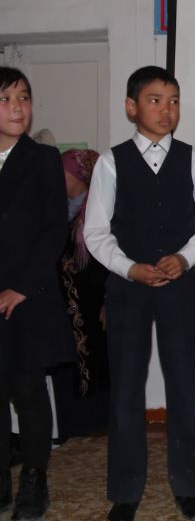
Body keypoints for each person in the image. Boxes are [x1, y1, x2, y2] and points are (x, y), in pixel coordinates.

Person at [83, 66, 195, 521]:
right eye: (155, 100)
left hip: (179, 288)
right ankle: (125, 492)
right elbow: (95, 232)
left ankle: (188, 487)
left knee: (183, 384)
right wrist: (129, 268)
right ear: (132, 107)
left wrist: (184, 258)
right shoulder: (111, 162)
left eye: (174, 101)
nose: (167, 110)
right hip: (128, 290)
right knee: (126, 388)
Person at [0, 67, 74, 520]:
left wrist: (20, 287)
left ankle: (34, 481)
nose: (17, 108)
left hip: (29, 293)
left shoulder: (44, 159)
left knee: (27, 388)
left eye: (24, 98)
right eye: (6, 99)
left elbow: (53, 230)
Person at [51, 148, 111, 441]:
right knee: (65, 362)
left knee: (96, 360)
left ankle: (96, 425)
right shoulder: (55, 210)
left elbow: (112, 259)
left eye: (62, 172)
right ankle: (69, 427)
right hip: (61, 303)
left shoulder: (99, 210)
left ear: (78, 175)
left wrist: (110, 300)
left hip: (94, 303)